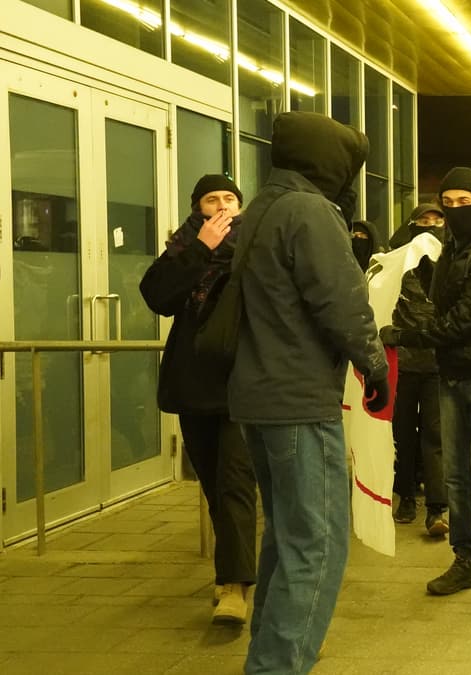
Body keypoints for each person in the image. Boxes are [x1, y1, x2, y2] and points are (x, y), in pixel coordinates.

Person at [227, 112, 389, 673]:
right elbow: (342, 302)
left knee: (286, 541)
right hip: (297, 399)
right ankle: (277, 665)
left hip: (256, 398)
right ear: (329, 161)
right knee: (317, 547)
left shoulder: (259, 209)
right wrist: (373, 363)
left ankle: (269, 655)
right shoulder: (310, 211)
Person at [384, 166, 471, 613]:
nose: (456, 210)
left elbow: (466, 317)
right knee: (457, 476)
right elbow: (442, 307)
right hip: (452, 374)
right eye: (449, 202)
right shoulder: (447, 252)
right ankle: (466, 562)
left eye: (465, 202)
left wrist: (411, 335)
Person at [139, 174, 257, 625]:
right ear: (198, 208)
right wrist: (201, 248)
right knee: (212, 485)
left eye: (230, 197)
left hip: (240, 383)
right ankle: (232, 569)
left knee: (234, 484)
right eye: (213, 198)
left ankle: (235, 587)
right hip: (193, 385)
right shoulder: (184, 249)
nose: (223, 204)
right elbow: (158, 297)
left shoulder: (254, 247)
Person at [387, 206, 448, 535]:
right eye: (424, 222)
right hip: (405, 363)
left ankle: (437, 506)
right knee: (403, 435)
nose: (431, 227)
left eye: (437, 222)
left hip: (438, 364)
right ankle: (407, 495)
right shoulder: (400, 262)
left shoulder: (450, 261)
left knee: (434, 436)